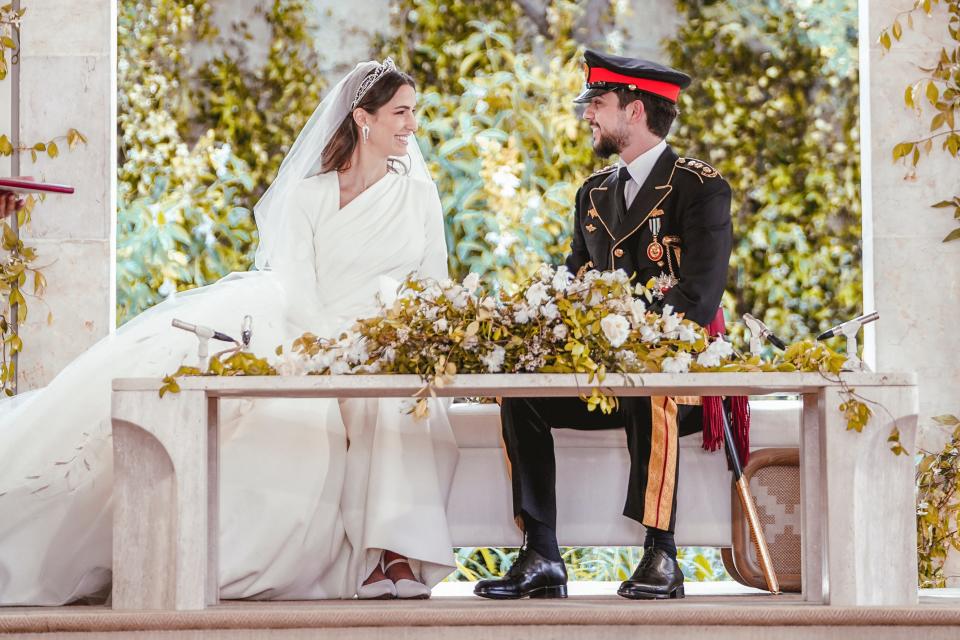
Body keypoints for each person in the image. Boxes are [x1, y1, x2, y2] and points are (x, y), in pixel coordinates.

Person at [0, 59, 458, 604]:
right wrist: (337, 350)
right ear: (363, 118)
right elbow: (298, 286)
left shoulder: (419, 197)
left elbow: (433, 285)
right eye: (401, 112)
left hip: (386, 342)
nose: (412, 125)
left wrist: (393, 340)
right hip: (308, 335)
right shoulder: (308, 197)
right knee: (296, 407)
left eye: (414, 113)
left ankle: (393, 555)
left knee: (392, 397)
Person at [474, 50, 733, 601]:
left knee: (651, 385)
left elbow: (699, 295)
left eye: (598, 103)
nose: (588, 114)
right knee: (521, 392)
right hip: (605, 376)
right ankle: (541, 553)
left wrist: (630, 348)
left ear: (634, 111)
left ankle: (662, 554)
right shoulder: (592, 193)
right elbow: (574, 278)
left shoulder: (699, 187)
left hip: (677, 377)